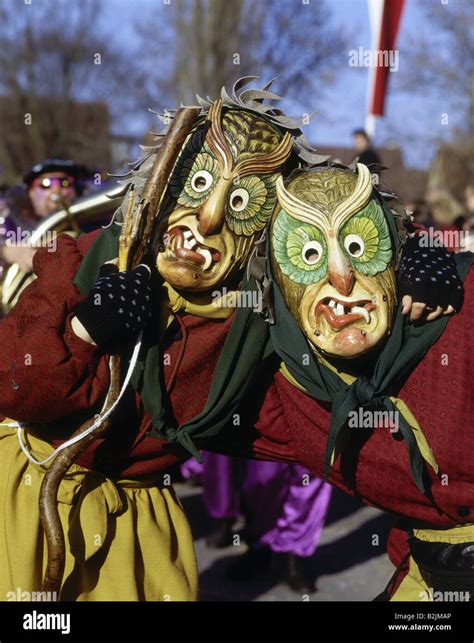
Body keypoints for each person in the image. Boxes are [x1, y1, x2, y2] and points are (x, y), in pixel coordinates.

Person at [0, 79, 464, 602]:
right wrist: (89, 327)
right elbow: (19, 387)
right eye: (197, 183)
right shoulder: (84, 261)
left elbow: (348, 275)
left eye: (241, 199)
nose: (211, 214)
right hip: (23, 507)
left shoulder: (253, 327)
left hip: (140, 538)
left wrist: (425, 258)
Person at [207, 163, 472, 601]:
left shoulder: (455, 319)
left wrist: (445, 256)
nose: (341, 273)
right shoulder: (285, 392)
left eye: (359, 244)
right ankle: (261, 546)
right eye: (307, 255)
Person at [0, 160, 87, 273]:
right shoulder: (9, 223)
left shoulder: (92, 220)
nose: (56, 189)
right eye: (46, 184)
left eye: (65, 182)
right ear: (30, 192)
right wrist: (8, 252)